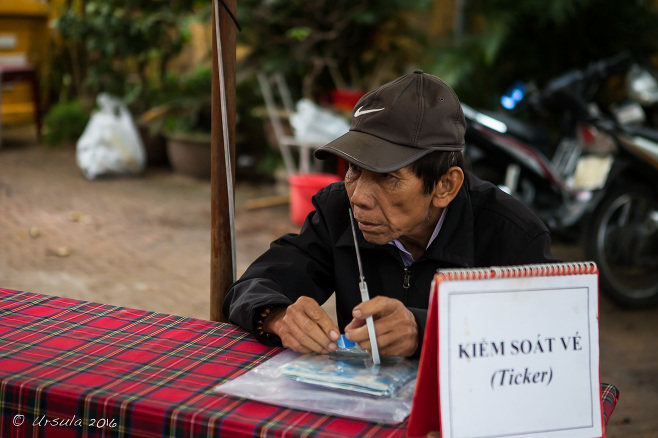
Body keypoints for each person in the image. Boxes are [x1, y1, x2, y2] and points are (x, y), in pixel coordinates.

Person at [223, 70, 556, 358]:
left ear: (445, 186)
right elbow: (252, 285)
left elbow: (546, 335)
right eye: (354, 169)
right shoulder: (338, 210)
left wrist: (424, 330)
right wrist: (278, 316)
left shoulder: (513, 235)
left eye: (387, 178)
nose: (360, 198)